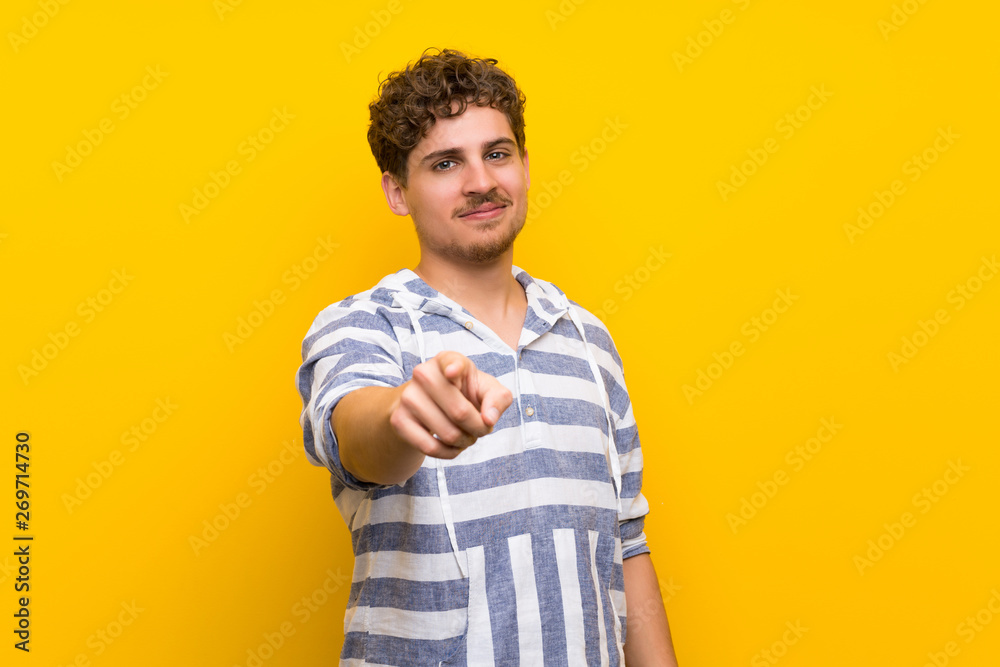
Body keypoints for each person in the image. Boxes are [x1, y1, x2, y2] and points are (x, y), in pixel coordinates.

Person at [296, 46, 679, 666]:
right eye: (446, 163)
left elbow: (627, 544)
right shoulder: (365, 325)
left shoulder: (588, 339)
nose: (481, 182)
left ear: (524, 165)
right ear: (397, 191)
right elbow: (355, 436)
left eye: (497, 154)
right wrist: (404, 416)